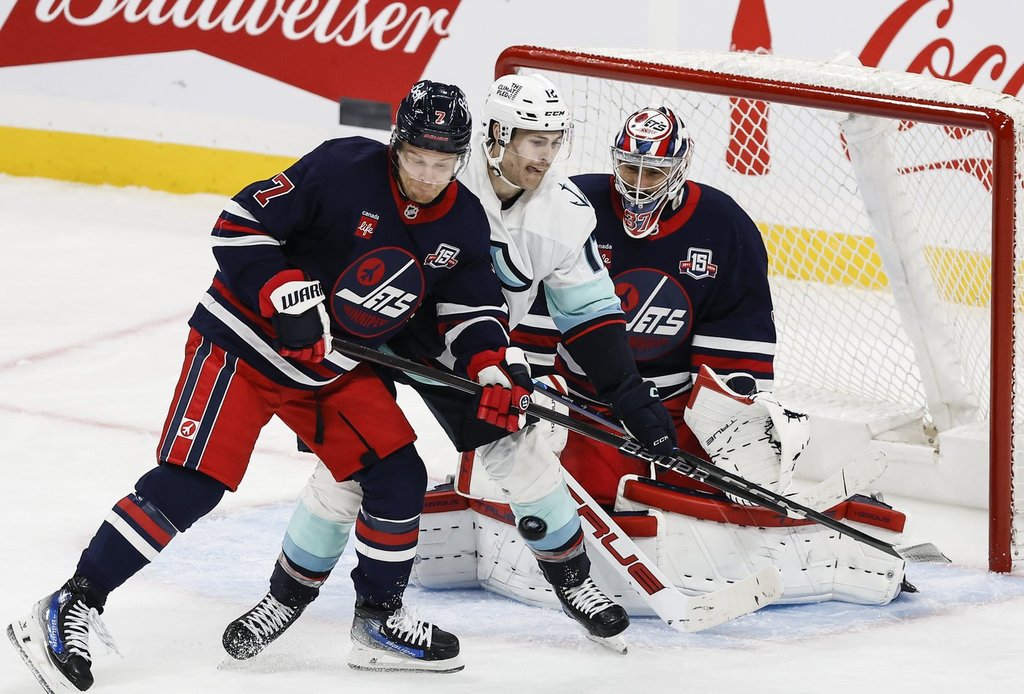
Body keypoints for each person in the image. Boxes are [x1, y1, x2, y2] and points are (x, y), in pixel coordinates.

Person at [5, 79, 537, 690]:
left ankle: (377, 620)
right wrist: (282, 293)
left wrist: (490, 365)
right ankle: (72, 601)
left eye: (442, 164)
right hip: (243, 346)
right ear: (397, 145)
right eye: (417, 158)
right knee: (192, 484)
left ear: (462, 158)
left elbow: (470, 309)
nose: (427, 175)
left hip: (327, 369)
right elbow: (237, 224)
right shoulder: (342, 168)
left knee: (397, 474)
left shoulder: (462, 220)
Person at [220, 74, 678, 659]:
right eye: (533, 140)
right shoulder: (440, 169)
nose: (545, 156)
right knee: (350, 469)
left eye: (553, 141)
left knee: (520, 450)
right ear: (497, 135)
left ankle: (573, 581)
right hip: (367, 333)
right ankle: (285, 598)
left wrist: (630, 396)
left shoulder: (565, 213)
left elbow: (588, 312)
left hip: (463, 346)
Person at [424, 105, 908, 609]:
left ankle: (807, 536)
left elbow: (736, 346)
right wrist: (539, 389)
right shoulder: (573, 206)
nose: (637, 184)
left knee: (736, 476)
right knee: (551, 470)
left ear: (679, 167)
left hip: (675, 409)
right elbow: (535, 314)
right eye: (628, 168)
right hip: (583, 405)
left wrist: (727, 415)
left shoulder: (725, 226)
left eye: (652, 172)